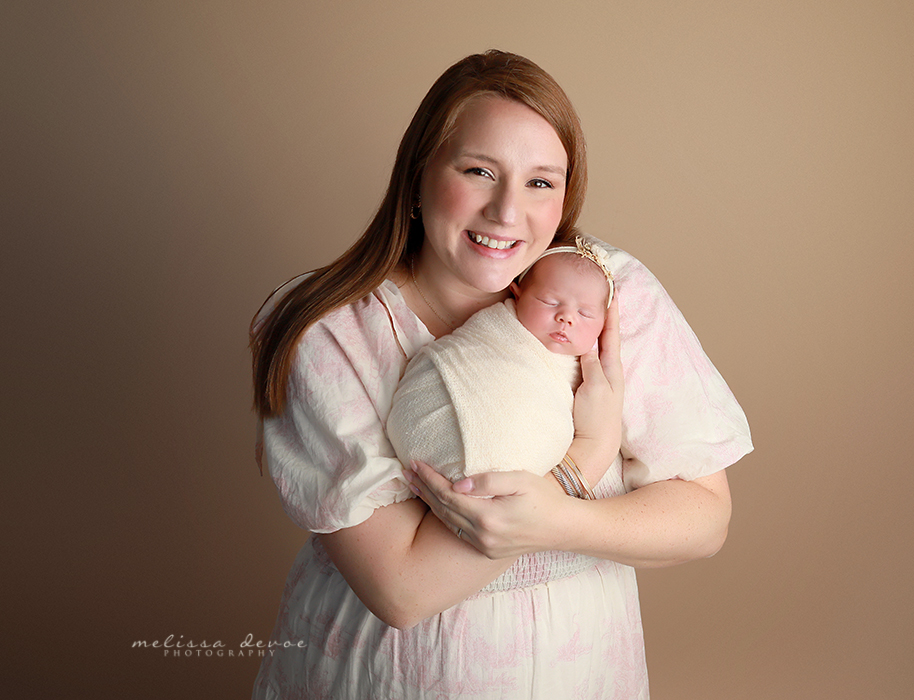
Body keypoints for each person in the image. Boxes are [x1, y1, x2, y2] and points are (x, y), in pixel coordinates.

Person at [250, 49, 752, 699]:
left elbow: (705, 517)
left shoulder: (607, 290)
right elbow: (403, 589)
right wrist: (585, 459)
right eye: (480, 171)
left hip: (582, 667)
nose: (507, 210)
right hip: (391, 675)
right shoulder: (330, 329)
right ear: (418, 177)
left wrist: (556, 519)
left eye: (542, 181)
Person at [387, 234, 617, 485]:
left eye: (585, 314)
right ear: (516, 295)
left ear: (604, 324)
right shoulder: (496, 328)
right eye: (549, 302)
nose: (566, 317)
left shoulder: (590, 374)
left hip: (504, 469)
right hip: (425, 412)